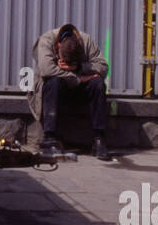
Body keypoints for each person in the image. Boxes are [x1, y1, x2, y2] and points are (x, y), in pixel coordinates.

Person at [27, 23, 111, 162]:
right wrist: (78, 79)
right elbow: (46, 70)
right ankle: (49, 137)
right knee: (52, 81)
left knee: (98, 84)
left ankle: (99, 139)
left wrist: (79, 67)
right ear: (58, 46)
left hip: (78, 90)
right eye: (65, 61)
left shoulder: (86, 41)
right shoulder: (46, 40)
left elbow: (103, 67)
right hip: (57, 90)